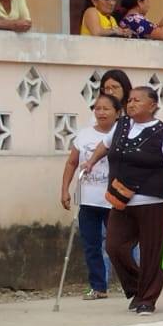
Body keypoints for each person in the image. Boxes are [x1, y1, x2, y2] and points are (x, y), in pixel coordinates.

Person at [86, 86, 163, 315]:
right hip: (121, 199)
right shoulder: (121, 126)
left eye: (137, 100)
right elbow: (105, 146)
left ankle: (147, 299)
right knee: (114, 246)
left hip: (153, 201)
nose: (131, 104)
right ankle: (138, 287)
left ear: (153, 105)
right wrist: (90, 161)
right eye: (129, 100)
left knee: (151, 252)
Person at [59, 91, 121, 299]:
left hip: (113, 200)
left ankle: (131, 282)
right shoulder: (84, 134)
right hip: (87, 198)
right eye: (97, 108)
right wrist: (65, 189)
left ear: (117, 112)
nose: (101, 112)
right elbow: (71, 163)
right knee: (91, 245)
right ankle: (98, 286)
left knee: (117, 244)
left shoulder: (122, 134)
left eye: (106, 109)